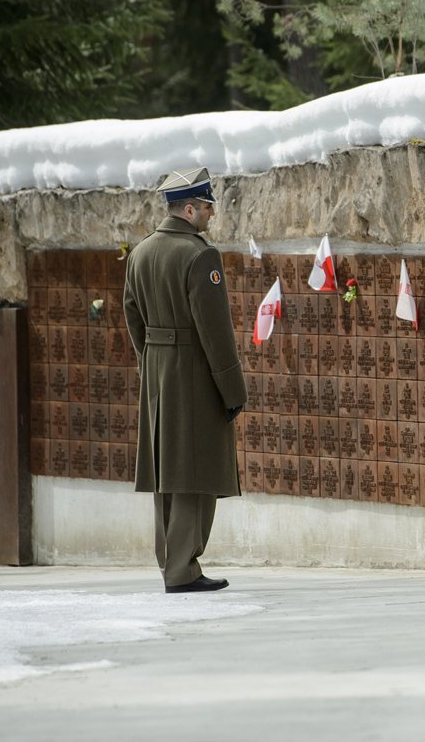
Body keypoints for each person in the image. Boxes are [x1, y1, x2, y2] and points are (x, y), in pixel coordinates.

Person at [123, 168, 246, 593]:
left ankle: (171, 565)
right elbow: (215, 331)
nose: (212, 214)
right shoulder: (199, 256)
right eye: (208, 206)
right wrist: (232, 388)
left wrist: (152, 362)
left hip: (157, 373)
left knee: (167, 475)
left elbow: (132, 316)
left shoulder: (140, 253)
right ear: (190, 209)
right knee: (196, 474)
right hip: (194, 374)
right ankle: (183, 570)